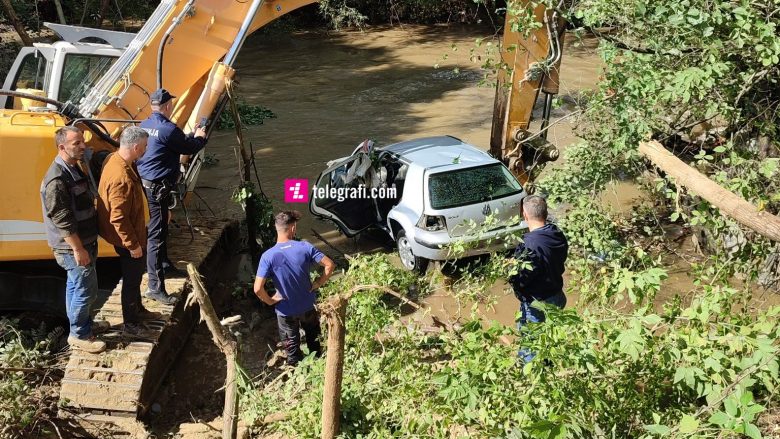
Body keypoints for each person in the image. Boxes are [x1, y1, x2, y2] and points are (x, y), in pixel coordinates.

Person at [40, 126, 109, 354]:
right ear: (62, 147)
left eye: (82, 141)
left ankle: (82, 324)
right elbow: (62, 219)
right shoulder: (57, 180)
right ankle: (80, 334)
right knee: (86, 290)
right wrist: (78, 249)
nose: (83, 146)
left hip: (84, 241)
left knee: (75, 286)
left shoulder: (73, 168)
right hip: (72, 247)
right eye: (76, 143)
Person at [137, 88, 207, 305]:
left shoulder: (145, 125)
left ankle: (165, 265)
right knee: (156, 236)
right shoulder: (168, 128)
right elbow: (190, 147)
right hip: (157, 187)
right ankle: (155, 288)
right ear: (168, 106)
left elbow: (172, 141)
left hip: (148, 185)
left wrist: (189, 135)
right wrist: (200, 137)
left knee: (162, 227)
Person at [97, 126, 162, 335]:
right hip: (129, 239)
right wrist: (132, 245)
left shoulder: (115, 160)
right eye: (144, 147)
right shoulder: (121, 177)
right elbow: (118, 217)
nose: (145, 150)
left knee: (135, 277)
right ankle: (131, 323)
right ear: (135, 147)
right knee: (132, 280)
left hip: (133, 232)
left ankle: (139, 310)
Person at [254, 211, 336, 366]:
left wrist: (270, 301)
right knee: (314, 344)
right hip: (308, 307)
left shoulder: (268, 256)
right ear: (292, 228)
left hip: (285, 312)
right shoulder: (305, 246)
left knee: (292, 350)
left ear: (277, 229)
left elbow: (258, 288)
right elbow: (330, 265)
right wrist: (318, 282)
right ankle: (318, 371)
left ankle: (297, 376)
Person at [509, 195, 568, 362]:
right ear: (546, 213)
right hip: (557, 296)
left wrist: (512, 277)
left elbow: (523, 278)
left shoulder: (527, 244)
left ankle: (530, 380)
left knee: (530, 345)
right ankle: (550, 368)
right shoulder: (557, 233)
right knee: (550, 339)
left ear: (525, 215)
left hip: (537, 303)